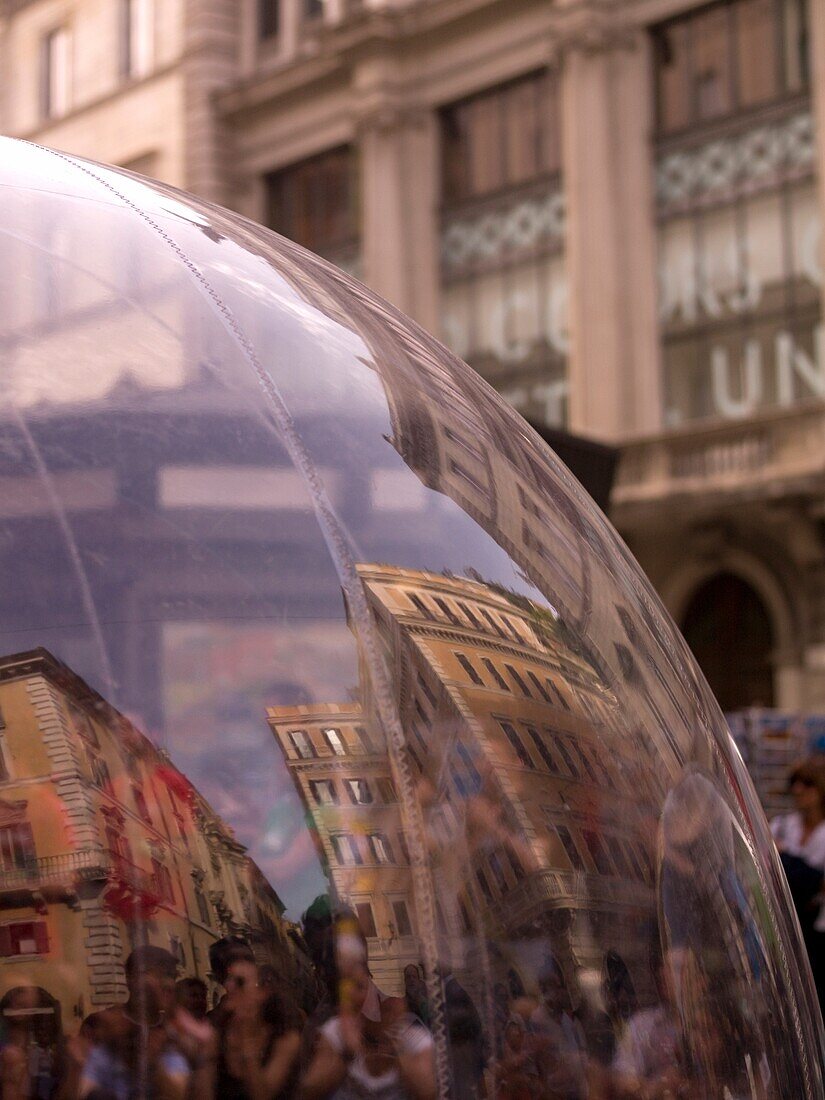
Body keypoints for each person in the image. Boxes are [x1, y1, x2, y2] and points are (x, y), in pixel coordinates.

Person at [301, 958, 435, 1100]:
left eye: (360, 987)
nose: (352, 994)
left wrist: (395, 1049)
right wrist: (349, 1052)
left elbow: (427, 1092)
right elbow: (310, 1090)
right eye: (346, 988)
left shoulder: (413, 1035)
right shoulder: (336, 1029)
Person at [72, 946, 192, 1100]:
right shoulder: (99, 1024)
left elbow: (179, 1094)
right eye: (158, 974)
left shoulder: (174, 1032)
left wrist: (151, 1061)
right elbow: (83, 1090)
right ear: (131, 978)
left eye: (171, 976)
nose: (168, 983)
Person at [771, 756, 825, 1005]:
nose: (798, 790)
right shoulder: (782, 826)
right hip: (782, 925)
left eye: (807, 783)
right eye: (795, 782)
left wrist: (786, 859)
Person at [215, 956, 301, 1100]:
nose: (228, 986)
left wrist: (247, 1041)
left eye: (239, 982)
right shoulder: (218, 1033)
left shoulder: (285, 1038)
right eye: (228, 979)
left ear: (262, 993)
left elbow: (262, 1095)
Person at [529, 960, 586, 1100]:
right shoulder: (537, 1020)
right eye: (553, 987)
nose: (560, 992)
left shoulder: (569, 1020)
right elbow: (537, 1064)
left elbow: (581, 1052)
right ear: (544, 989)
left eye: (560, 987)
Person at [492, 1016, 539, 1100]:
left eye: (518, 1035)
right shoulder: (503, 1082)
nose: (517, 1038)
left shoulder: (526, 1056)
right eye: (512, 1035)